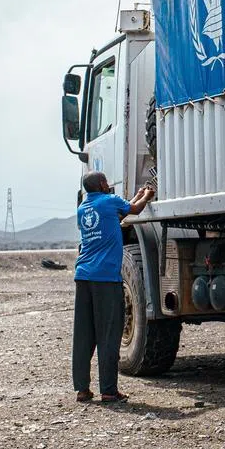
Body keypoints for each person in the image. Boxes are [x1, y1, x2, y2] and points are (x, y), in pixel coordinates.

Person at [72, 171, 154, 403]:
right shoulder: (109, 201)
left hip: (83, 276)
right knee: (109, 334)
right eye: (106, 181)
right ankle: (108, 390)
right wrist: (147, 196)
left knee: (84, 334)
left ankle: (82, 390)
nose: (109, 184)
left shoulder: (83, 209)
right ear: (101, 184)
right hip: (106, 278)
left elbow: (114, 220)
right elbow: (134, 210)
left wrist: (137, 195)